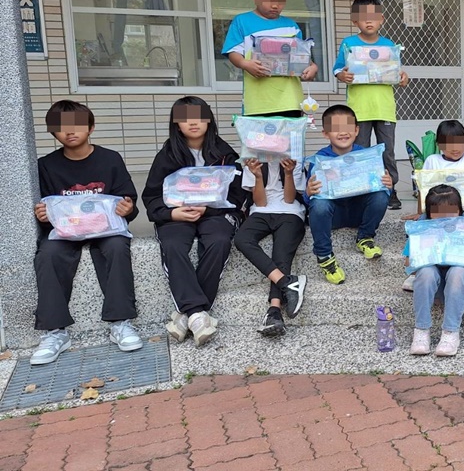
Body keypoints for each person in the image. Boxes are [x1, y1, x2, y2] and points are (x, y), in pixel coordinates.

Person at [30, 101, 143, 365]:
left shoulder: (110, 159)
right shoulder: (45, 165)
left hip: (106, 229)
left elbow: (129, 202)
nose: (69, 131)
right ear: (53, 131)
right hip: (65, 231)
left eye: (77, 125)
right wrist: (43, 215)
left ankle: (121, 322)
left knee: (117, 247)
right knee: (48, 253)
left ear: (91, 127)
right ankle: (55, 332)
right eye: (61, 127)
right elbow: (44, 207)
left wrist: (127, 208)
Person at [142, 97, 246, 347]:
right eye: (185, 118)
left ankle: (187, 314)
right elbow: (151, 197)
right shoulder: (167, 156)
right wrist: (171, 214)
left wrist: (210, 208)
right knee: (173, 245)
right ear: (176, 123)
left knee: (219, 241)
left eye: (199, 117)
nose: (193, 123)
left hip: (216, 214)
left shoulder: (225, 154)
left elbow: (238, 195)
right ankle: (198, 315)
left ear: (209, 119)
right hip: (177, 215)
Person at [333, 0, 410, 211]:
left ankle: (390, 189)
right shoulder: (349, 43)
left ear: (381, 19)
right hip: (359, 109)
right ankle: (363, 189)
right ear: (354, 20)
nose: (369, 21)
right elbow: (338, 68)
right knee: (360, 151)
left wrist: (403, 78)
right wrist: (341, 75)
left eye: (373, 17)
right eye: (363, 17)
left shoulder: (389, 46)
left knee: (387, 151)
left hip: (384, 108)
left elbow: (397, 73)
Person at [305, 104, 392, 285]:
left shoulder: (367, 156)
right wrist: (308, 192)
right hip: (333, 215)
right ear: (325, 133)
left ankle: (365, 237)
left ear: (356, 130)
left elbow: (380, 188)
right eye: (336, 129)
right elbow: (310, 199)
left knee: (381, 196)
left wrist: (387, 185)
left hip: (358, 213)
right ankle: (324, 255)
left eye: (347, 128)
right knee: (319, 204)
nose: (343, 133)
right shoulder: (320, 159)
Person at [222, 0, 318, 118]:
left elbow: (303, 58)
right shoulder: (242, 22)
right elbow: (233, 52)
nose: (275, 6)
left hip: (290, 101)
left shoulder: (291, 26)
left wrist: (312, 68)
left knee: (290, 134)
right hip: (258, 103)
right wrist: (245, 64)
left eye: (280, 0)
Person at [401, 119, 464, 291]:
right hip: (439, 211)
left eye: (459, 142)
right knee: (423, 222)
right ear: (439, 144)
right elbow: (424, 188)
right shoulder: (432, 161)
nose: (455, 148)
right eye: (448, 143)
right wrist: (421, 212)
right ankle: (416, 272)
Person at [233, 156, 308, 337]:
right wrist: (257, 175)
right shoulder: (252, 158)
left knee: (281, 253)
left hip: (290, 212)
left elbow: (289, 199)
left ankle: (274, 310)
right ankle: (287, 282)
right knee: (242, 239)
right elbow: (260, 203)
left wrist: (289, 173)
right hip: (261, 212)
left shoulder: (294, 158)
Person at [407, 185, 464, 356]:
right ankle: (421, 330)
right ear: (429, 213)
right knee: (426, 272)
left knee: (458, 271)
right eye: (438, 212)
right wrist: (427, 253)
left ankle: (450, 332)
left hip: (459, 282)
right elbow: (409, 263)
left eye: (451, 211)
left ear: (459, 211)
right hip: (435, 284)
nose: (445, 217)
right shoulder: (424, 227)